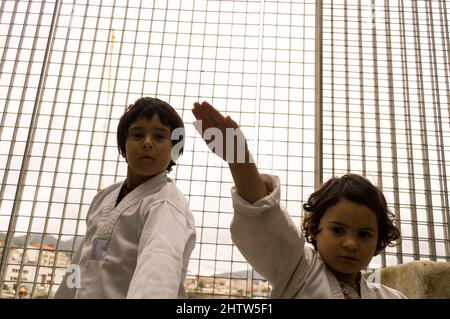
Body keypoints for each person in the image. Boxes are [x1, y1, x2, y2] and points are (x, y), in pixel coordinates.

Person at [192, 100, 406, 299]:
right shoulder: (296, 268)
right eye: (338, 230)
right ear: (315, 228)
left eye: (364, 234)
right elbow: (264, 215)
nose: (351, 244)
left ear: (379, 239)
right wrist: (239, 158)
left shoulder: (391, 296)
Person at [55, 97, 196, 298]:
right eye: (137, 135)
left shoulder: (166, 205)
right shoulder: (105, 197)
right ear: (123, 146)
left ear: (174, 150)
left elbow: (157, 273)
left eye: (159, 136)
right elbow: (84, 260)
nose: (147, 142)